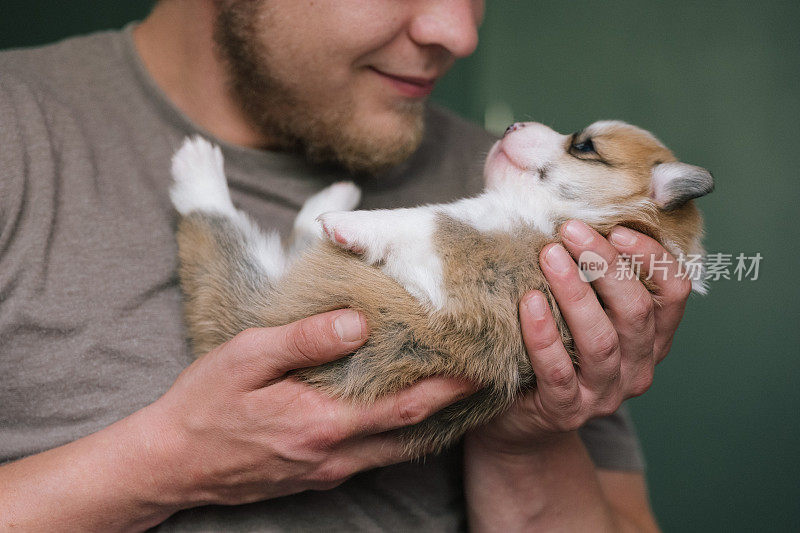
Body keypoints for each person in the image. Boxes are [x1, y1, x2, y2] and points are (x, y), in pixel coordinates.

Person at [0, 1, 690, 530]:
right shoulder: (20, 130)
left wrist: (525, 439)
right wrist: (166, 462)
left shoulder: (533, 195)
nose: (457, 31)